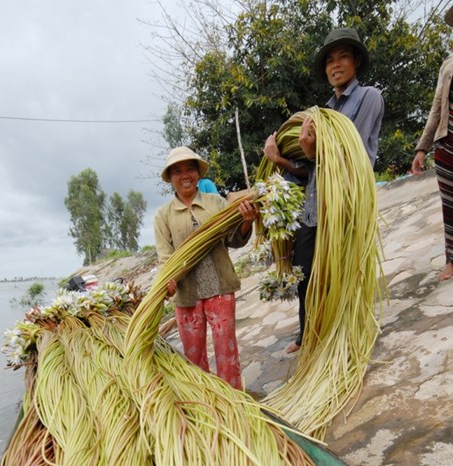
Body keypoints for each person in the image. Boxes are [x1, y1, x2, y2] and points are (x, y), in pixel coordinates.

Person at [264, 28, 384, 353]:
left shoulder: (369, 98)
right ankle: (308, 333)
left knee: (343, 274)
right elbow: (309, 171)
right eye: (330, 60)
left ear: (356, 60)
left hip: (345, 205)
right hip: (314, 207)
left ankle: (347, 336)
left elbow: (350, 153)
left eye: (342, 56)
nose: (335, 65)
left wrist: (314, 150)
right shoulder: (322, 114)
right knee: (306, 274)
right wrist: (281, 160)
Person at [155, 146, 258, 389]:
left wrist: (245, 222)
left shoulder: (215, 203)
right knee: (194, 358)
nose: (185, 175)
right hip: (187, 296)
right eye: (177, 171)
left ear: (198, 173)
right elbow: (165, 258)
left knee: (227, 353)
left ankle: (234, 402)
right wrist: (167, 283)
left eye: (189, 168)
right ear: (170, 178)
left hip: (219, 289)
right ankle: (208, 403)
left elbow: (234, 239)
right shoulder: (163, 215)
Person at [411, 7, 453, 281]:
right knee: (449, 204)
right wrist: (422, 148)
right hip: (448, 142)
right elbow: (437, 107)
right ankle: (452, 260)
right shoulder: (448, 65)